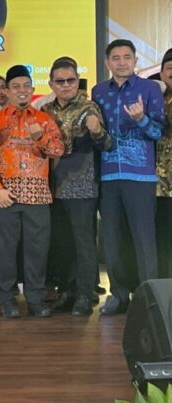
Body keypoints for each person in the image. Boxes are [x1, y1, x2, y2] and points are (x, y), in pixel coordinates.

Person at [0, 65, 64, 318]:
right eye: (15, 87)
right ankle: (7, 300)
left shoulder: (44, 119)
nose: (22, 91)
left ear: (33, 89)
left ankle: (36, 299)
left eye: (26, 86)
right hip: (5, 196)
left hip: (38, 196)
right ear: (7, 91)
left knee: (37, 250)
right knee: (4, 251)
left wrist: (40, 138)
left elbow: (58, 150)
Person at [92, 39, 165, 315]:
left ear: (135, 61)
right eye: (116, 57)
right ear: (107, 62)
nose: (121, 62)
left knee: (144, 238)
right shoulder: (99, 91)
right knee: (111, 239)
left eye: (126, 57)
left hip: (141, 177)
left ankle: (149, 296)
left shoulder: (150, 89)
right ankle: (119, 295)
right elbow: (98, 135)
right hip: (108, 176)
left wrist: (141, 119)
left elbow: (157, 132)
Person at [41, 58, 111, 316]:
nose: (66, 85)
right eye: (60, 81)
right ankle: (67, 293)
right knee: (62, 243)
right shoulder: (46, 110)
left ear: (77, 81)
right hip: (52, 187)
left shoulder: (89, 107)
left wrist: (97, 131)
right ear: (51, 84)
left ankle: (84, 294)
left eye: (70, 80)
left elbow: (106, 145)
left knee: (83, 243)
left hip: (82, 186)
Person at [156, 48, 172, 278]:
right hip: (159, 184)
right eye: (170, 68)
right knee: (162, 236)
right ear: (161, 73)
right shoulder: (154, 99)